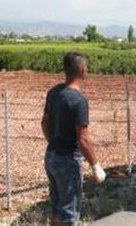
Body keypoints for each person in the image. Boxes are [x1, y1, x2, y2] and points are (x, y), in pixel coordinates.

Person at [41, 52, 105, 226]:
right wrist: (96, 166)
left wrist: (53, 143)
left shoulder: (53, 92)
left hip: (51, 157)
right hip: (68, 160)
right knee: (69, 214)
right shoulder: (79, 101)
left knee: (56, 208)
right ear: (83, 70)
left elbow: (44, 123)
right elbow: (83, 139)